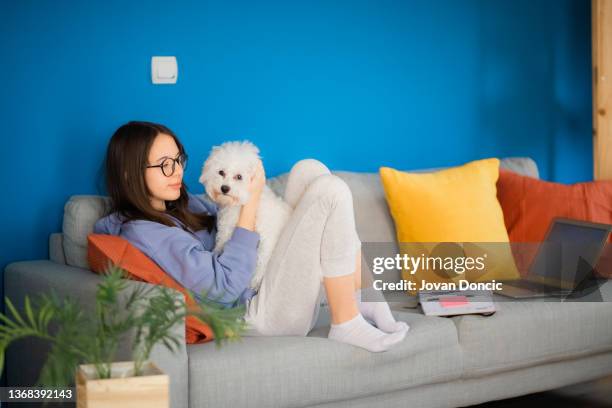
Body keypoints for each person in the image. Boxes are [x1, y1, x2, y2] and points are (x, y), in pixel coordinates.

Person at [94, 121, 409, 352]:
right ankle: (346, 323)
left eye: (178, 160)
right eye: (164, 165)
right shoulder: (145, 232)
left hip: (277, 289)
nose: (177, 171)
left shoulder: (183, 206)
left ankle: (363, 297)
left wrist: (245, 199)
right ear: (129, 173)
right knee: (331, 190)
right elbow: (222, 289)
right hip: (259, 314)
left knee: (309, 171)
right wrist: (250, 200)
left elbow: (233, 218)